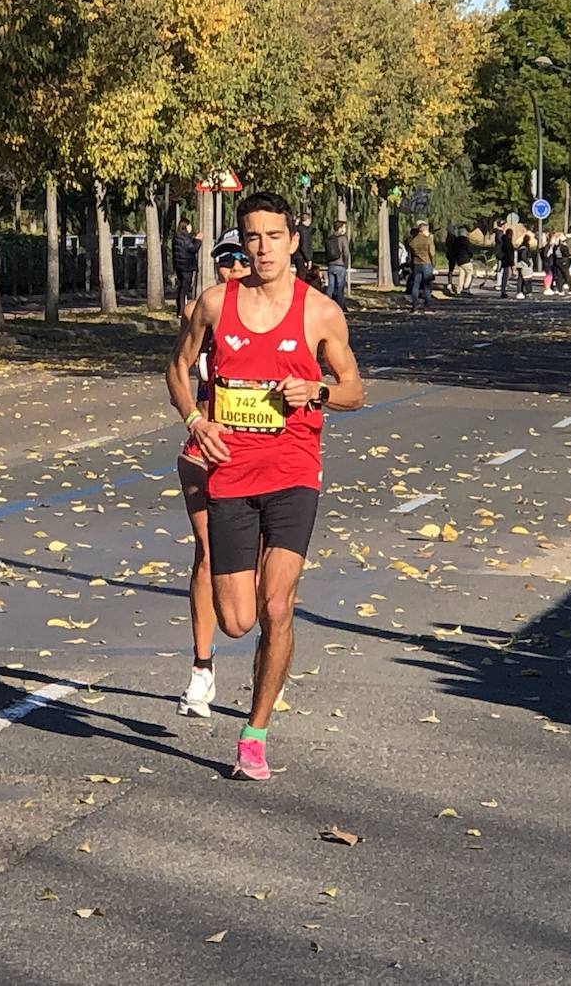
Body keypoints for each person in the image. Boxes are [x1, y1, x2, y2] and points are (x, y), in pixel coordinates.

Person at [166, 192, 365, 780]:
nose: (263, 248)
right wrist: (196, 421)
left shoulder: (319, 312)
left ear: (293, 241)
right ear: (242, 242)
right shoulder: (213, 304)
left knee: (278, 605)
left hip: (293, 474)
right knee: (237, 621)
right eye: (252, 237)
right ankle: (248, 590)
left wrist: (319, 392)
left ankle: (254, 733)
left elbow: (355, 389)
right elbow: (178, 369)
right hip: (230, 474)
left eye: (274, 236)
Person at [173, 228, 252, 719]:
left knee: (260, 566)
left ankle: (269, 659)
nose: (235, 267)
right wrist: (195, 420)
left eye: (243, 258)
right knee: (207, 553)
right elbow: (177, 368)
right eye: (225, 259)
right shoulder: (204, 310)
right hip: (206, 446)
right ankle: (202, 668)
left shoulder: (289, 309)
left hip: (263, 453)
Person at [406, 220, 436, 313]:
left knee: (416, 285)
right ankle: (427, 305)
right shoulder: (428, 240)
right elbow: (432, 253)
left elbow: (410, 255)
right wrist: (433, 264)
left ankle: (415, 305)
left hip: (416, 264)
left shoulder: (413, 241)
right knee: (427, 285)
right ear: (424, 230)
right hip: (426, 263)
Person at [172, 221, 201, 307]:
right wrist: (198, 240)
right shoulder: (185, 237)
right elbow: (192, 248)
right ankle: (182, 309)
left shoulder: (177, 237)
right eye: (189, 225)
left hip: (179, 266)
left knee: (181, 287)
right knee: (185, 288)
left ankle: (179, 308)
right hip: (186, 266)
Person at [323, 220, 348, 307]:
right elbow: (346, 252)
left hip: (331, 265)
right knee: (340, 287)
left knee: (330, 286)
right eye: (344, 227)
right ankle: (340, 306)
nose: (345, 229)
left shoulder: (330, 239)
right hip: (340, 264)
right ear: (340, 229)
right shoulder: (342, 238)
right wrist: (346, 263)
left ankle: (327, 304)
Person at [291, 210, 314, 281]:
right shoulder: (305, 230)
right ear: (308, 220)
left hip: (296, 255)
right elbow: (304, 246)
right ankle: (298, 291)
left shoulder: (297, 228)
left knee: (299, 275)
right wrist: (308, 259)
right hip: (302, 257)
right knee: (302, 276)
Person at [453, 227, 475, 297]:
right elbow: (469, 250)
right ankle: (466, 288)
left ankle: (459, 290)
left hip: (459, 260)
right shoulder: (466, 240)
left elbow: (453, 250)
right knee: (470, 272)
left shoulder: (456, 241)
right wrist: (471, 255)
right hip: (466, 259)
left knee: (461, 274)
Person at [497, 224, 516, 298]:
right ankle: (503, 291)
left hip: (504, 260)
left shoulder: (504, 240)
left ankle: (503, 290)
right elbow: (509, 253)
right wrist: (512, 263)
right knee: (506, 276)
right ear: (510, 234)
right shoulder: (507, 241)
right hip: (507, 261)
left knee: (506, 276)